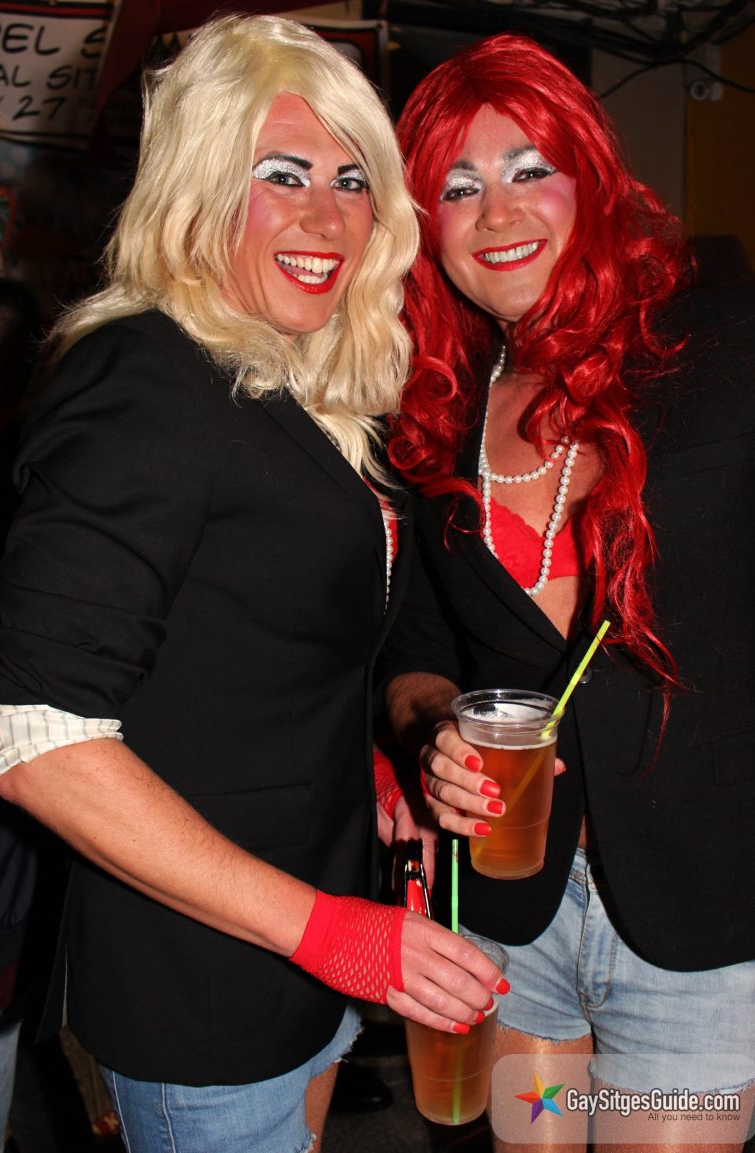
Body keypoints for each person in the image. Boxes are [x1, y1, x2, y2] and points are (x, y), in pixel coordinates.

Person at [0, 16, 506, 1153]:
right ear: (201, 185)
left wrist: (376, 770)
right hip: (206, 982)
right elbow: (34, 740)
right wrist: (332, 932)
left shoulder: (289, 387)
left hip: (302, 952)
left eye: (352, 180)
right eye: (282, 174)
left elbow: (254, 656)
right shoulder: (144, 377)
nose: (328, 216)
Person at [382, 31, 755, 1153]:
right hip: (515, 923)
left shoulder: (723, 346)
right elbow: (413, 648)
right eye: (458, 186)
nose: (496, 213)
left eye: (529, 168)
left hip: (697, 920)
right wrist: (433, 730)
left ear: (589, 179)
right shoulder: (435, 412)